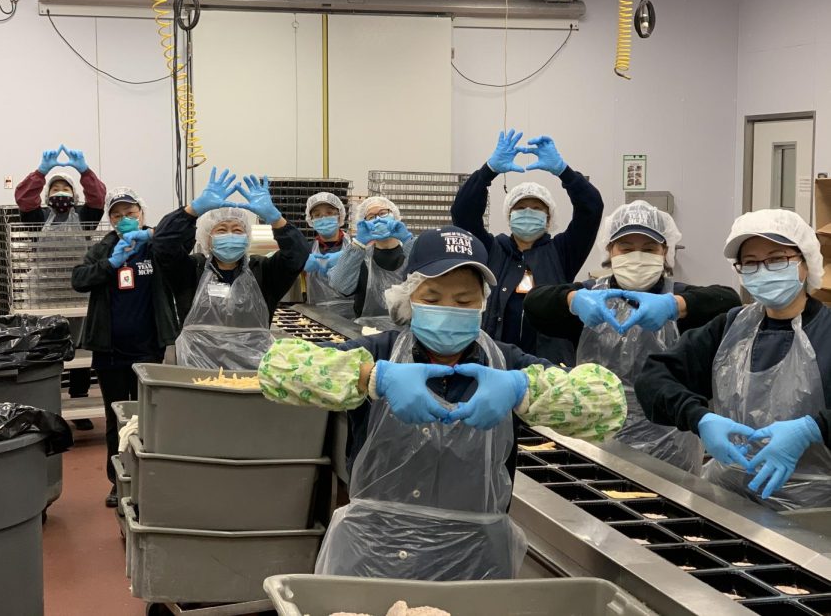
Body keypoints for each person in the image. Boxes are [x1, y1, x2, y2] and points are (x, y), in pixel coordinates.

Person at [258, 226, 626, 580]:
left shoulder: (506, 365)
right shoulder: (381, 353)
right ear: (409, 298)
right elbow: (277, 369)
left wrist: (521, 389)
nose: (449, 308)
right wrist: (371, 377)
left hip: (474, 561)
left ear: (483, 302)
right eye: (432, 299)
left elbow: (608, 403)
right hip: (375, 555)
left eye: (464, 300)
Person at [523, 201, 741, 473]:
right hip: (595, 440)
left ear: (665, 252)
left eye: (649, 249)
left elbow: (729, 302)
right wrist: (573, 299)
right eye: (626, 249)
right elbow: (534, 303)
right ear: (610, 252)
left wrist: (676, 306)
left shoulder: (680, 299)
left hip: (670, 448)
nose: (637, 257)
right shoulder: (592, 296)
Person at [636, 209, 831, 511]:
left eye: (777, 259)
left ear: (806, 262)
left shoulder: (827, 332)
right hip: (728, 501)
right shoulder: (730, 328)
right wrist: (699, 418)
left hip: (814, 512)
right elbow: (653, 377)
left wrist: (813, 428)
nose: (764, 270)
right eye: (751, 263)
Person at [451, 130, 604, 365]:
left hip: (550, 366)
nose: (528, 212)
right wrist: (488, 171)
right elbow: (463, 212)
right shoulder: (491, 249)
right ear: (509, 216)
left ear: (548, 216)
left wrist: (565, 172)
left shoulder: (563, 252)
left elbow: (591, 210)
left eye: (536, 208)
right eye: (521, 207)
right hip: (493, 363)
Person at [72, 188, 183, 507]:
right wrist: (111, 264)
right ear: (110, 219)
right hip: (109, 351)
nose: (124, 219)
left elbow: (179, 243)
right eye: (117, 214)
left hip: (149, 348)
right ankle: (118, 479)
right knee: (116, 418)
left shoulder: (155, 247)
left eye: (131, 213)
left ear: (142, 214)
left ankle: (150, 476)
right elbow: (79, 279)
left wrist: (154, 236)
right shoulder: (103, 248)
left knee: (149, 416)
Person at [152, 169, 310, 370]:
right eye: (221, 230)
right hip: (197, 371)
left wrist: (275, 218)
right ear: (207, 237)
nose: (230, 235)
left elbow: (298, 254)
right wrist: (193, 210)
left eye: (237, 230)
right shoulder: (190, 270)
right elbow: (163, 244)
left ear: (247, 238)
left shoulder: (264, 271)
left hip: (253, 374)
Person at [16, 145, 107, 432]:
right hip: (45, 295)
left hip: (78, 292)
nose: (60, 192)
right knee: (49, 349)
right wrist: (41, 171)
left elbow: (98, 197)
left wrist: (84, 171)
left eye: (65, 188)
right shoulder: (37, 218)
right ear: (47, 194)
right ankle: (48, 406)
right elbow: (23, 198)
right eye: (55, 188)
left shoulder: (84, 217)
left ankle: (78, 404)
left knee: (80, 350)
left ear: (74, 194)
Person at [327, 196, 415, 330]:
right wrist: (358, 244)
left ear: (395, 216)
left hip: (408, 333)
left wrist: (408, 240)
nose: (378, 219)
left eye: (383, 213)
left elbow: (428, 276)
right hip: (366, 334)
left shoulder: (411, 252)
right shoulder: (360, 258)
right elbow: (340, 285)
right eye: (371, 217)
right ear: (365, 223)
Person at [302, 192, 354, 318]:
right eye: (317, 215)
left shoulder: (356, 246)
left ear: (340, 216)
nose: (323, 218)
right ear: (311, 221)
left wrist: (349, 257)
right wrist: (298, 262)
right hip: (317, 319)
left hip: (353, 318)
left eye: (329, 213)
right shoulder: (306, 249)